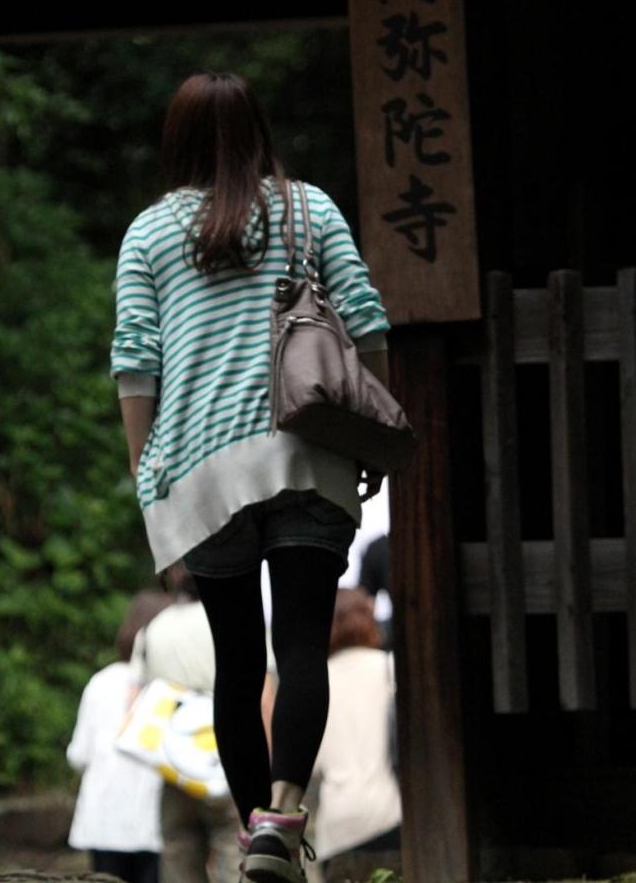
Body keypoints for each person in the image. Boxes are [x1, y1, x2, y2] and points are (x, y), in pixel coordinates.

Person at [111, 71, 391, 883]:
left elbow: (135, 363)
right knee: (301, 645)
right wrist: (370, 437)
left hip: (198, 471)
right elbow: (366, 321)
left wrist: (146, 477)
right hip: (308, 454)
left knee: (236, 664)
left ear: (176, 140)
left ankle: (252, 838)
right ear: (258, 130)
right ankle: (283, 816)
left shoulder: (149, 232)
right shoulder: (309, 209)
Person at [127, 564, 267, 883]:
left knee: (179, 850)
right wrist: (268, 763)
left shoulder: (153, 628)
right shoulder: (237, 620)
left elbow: (136, 700)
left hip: (173, 762)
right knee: (235, 846)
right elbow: (264, 697)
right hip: (228, 754)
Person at [65, 589, 173, 882]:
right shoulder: (170, 687)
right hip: (152, 822)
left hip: (103, 819)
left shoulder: (101, 682)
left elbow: (78, 755)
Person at [312, 588, 401, 878]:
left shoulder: (312, 684)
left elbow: (309, 766)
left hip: (335, 828)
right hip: (390, 813)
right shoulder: (390, 668)